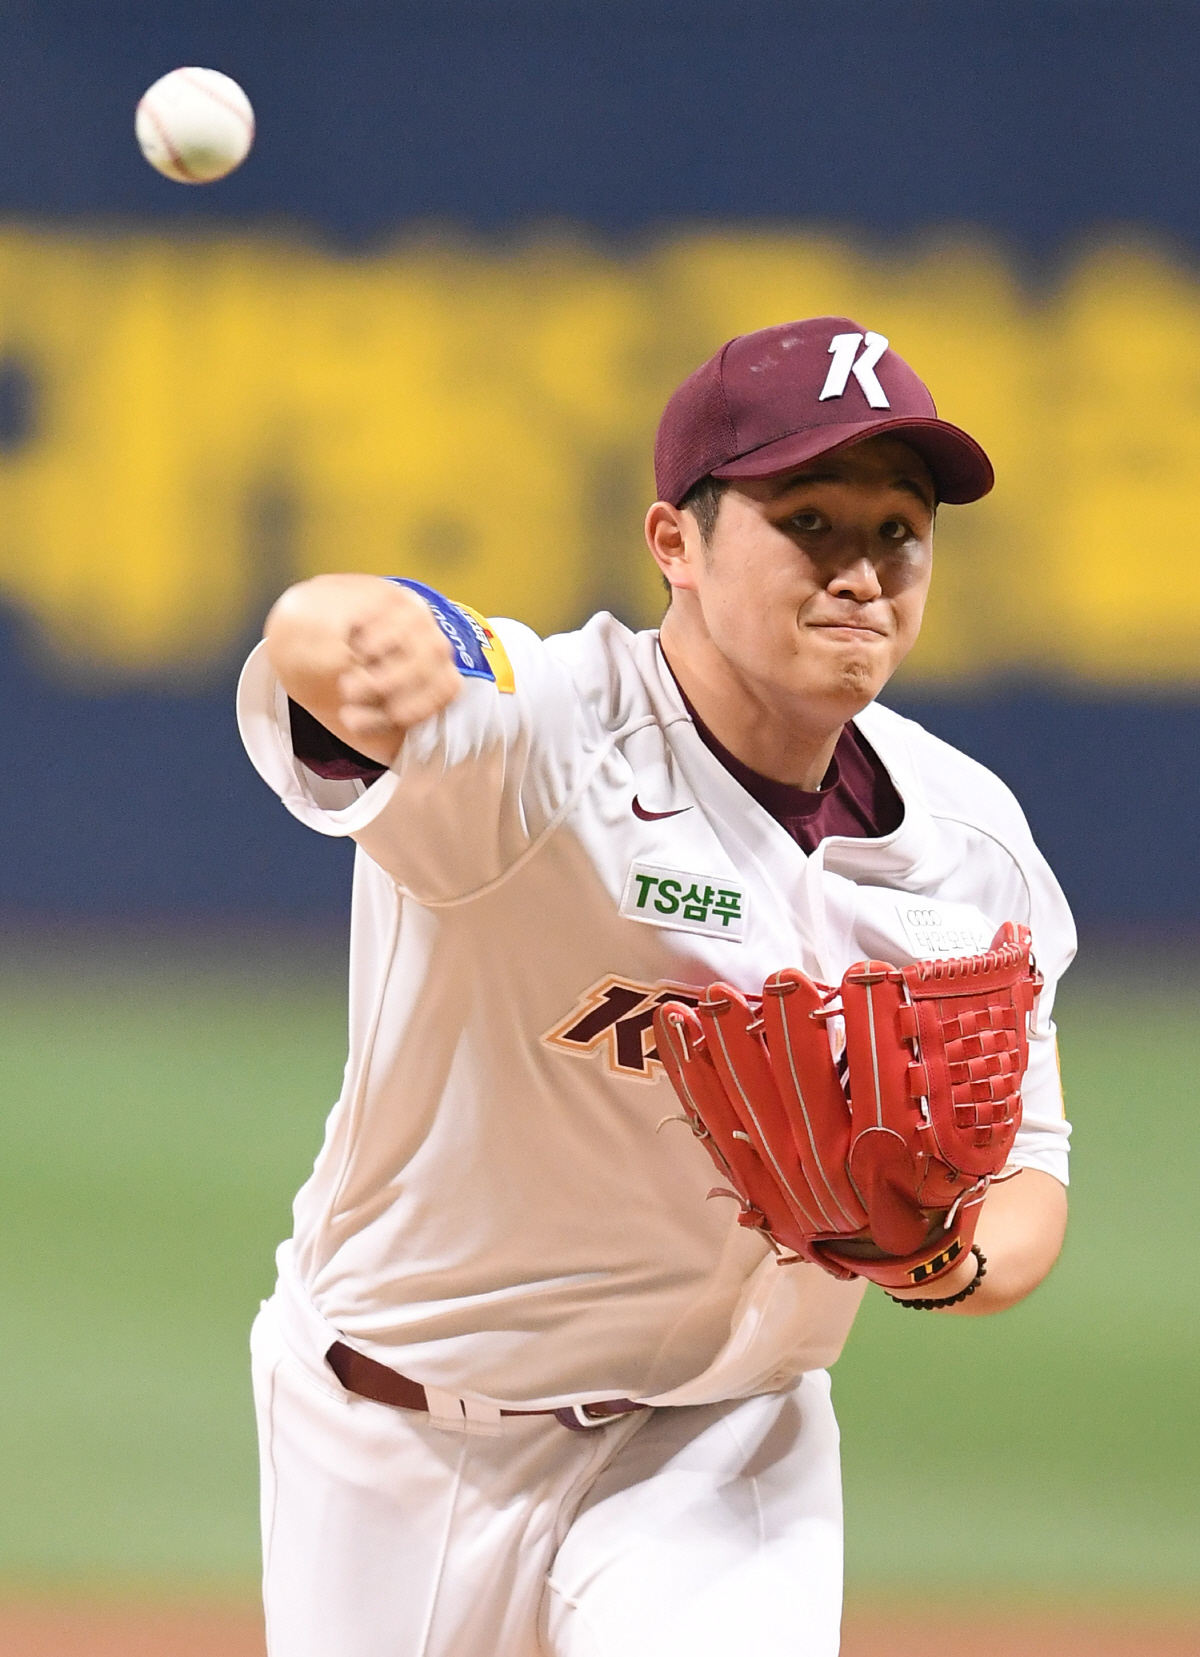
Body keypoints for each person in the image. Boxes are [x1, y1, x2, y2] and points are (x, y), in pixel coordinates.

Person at [239, 316, 1073, 1657]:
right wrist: (352, 633)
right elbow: (330, 633)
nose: (862, 572)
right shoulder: (546, 738)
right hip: (398, 1422)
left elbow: (1029, 1164)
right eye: (810, 521)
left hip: (723, 1435)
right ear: (675, 543)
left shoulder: (967, 844)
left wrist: (950, 1263)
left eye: (898, 532)